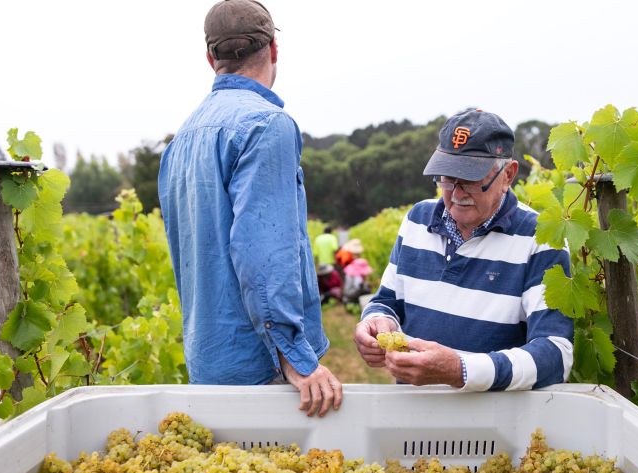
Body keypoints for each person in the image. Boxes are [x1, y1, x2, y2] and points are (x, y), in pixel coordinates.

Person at [158, 0, 341, 417]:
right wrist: (294, 357)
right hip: (262, 366)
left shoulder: (180, 141)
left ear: (210, 58)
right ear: (274, 49)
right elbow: (262, 252)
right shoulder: (266, 125)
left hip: (208, 358)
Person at [353, 109, 574, 391]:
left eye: (470, 179)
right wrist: (376, 321)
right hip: (410, 415)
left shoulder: (540, 239)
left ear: (508, 175)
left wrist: (461, 371)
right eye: (447, 178)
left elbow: (555, 355)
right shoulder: (417, 220)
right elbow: (388, 301)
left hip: (491, 427)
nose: (456, 193)